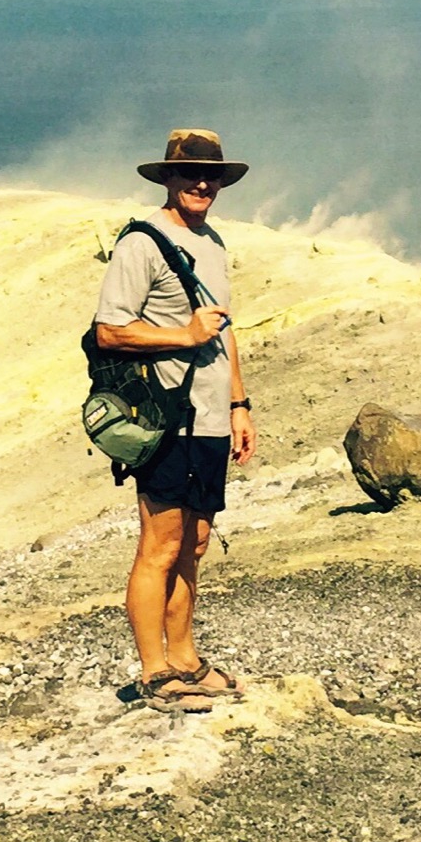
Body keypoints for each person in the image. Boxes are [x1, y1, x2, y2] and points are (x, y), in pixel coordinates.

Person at [91, 129, 255, 712]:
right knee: (159, 544)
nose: (203, 184)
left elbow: (225, 330)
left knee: (197, 541)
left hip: (210, 419)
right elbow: (110, 329)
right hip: (165, 418)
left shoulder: (212, 242)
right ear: (168, 179)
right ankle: (153, 671)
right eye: (190, 175)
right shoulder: (143, 243)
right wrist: (181, 336)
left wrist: (239, 405)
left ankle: (185, 658)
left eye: (212, 177)